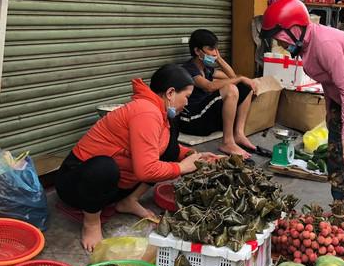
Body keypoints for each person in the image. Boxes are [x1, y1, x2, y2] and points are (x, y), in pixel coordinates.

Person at [260, 0, 344, 230]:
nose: (279, 44)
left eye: (278, 37)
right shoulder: (304, 46)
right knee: (337, 152)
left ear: (294, 28)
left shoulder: (324, 43)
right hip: (343, 94)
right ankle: (340, 206)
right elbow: (328, 81)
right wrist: (330, 112)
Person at [56, 64, 217, 252]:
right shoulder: (145, 112)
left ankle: (128, 201)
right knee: (104, 168)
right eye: (187, 97)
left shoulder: (162, 113)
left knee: (170, 151)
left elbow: (161, 146)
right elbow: (145, 169)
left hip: (113, 186)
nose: (187, 103)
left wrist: (192, 156)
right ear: (171, 93)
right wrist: (181, 168)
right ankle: (91, 223)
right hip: (78, 184)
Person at [179, 29, 259, 160]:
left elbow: (232, 76)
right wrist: (240, 78)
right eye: (211, 49)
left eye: (216, 49)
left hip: (205, 115)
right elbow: (208, 87)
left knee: (245, 87)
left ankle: (238, 134)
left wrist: (219, 59)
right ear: (198, 51)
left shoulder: (207, 69)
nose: (215, 52)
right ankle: (227, 142)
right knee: (231, 89)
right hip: (192, 120)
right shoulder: (188, 69)